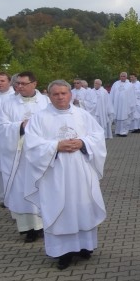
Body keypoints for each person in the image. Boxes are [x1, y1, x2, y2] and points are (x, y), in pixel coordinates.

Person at [22, 80, 107, 270]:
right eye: (56, 94)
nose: (60, 97)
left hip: (80, 170)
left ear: (71, 94)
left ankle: (85, 246)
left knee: (82, 206)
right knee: (60, 208)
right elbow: (31, 145)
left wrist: (83, 143)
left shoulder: (82, 114)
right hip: (55, 173)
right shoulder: (39, 117)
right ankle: (63, 252)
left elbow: (98, 136)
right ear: (49, 96)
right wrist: (56, 146)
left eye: (64, 93)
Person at [0, 71, 50, 242]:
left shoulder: (46, 101)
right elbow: (1, 126)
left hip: (40, 154)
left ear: (34, 84)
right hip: (19, 155)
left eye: (23, 83)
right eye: (17, 83)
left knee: (41, 187)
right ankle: (28, 229)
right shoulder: (7, 103)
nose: (19, 87)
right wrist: (20, 126)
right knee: (21, 189)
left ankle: (45, 224)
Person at [0, 71, 14, 206]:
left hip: (9, 138)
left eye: (2, 80)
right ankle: (1, 196)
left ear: (9, 82)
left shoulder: (13, 98)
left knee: (8, 168)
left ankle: (10, 197)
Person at [109, 72, 137, 137]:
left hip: (125, 105)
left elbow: (132, 96)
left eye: (124, 76)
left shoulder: (130, 85)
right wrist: (111, 103)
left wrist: (131, 105)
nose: (122, 77)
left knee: (125, 118)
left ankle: (124, 132)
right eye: (121, 76)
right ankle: (118, 131)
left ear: (126, 77)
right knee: (117, 118)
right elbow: (112, 94)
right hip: (117, 104)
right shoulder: (115, 84)